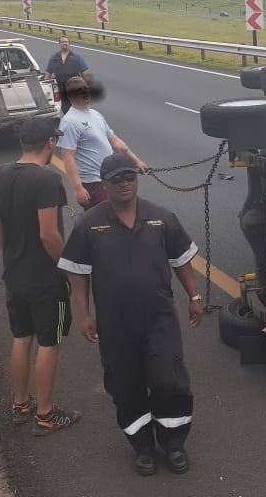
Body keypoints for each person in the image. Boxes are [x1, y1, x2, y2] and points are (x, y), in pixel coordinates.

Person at [58, 153, 204, 476]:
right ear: (104, 185)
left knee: (169, 380)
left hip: (159, 319)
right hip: (115, 324)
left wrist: (194, 296)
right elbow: (77, 274)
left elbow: (181, 259)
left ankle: (174, 443)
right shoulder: (88, 224)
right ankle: (142, 448)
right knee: (126, 385)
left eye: (129, 178)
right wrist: (83, 314)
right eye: (116, 180)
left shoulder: (161, 217)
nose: (125, 184)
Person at [0, 118, 81, 435]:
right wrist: (68, 268)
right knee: (49, 342)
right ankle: (45, 413)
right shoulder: (47, 180)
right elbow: (49, 235)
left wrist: (11, 256)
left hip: (14, 273)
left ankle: (20, 403)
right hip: (44, 278)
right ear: (50, 144)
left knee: (21, 336)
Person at [57, 76, 147, 210]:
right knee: (101, 223)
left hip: (111, 178)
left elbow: (115, 141)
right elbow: (68, 157)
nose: (84, 93)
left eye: (85, 89)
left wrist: (136, 161)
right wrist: (78, 188)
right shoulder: (70, 122)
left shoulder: (95, 114)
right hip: (93, 183)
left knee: (119, 215)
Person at [46, 36, 92, 115]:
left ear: (69, 44)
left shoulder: (77, 57)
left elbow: (84, 73)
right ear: (59, 44)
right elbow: (48, 74)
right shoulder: (54, 58)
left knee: (79, 107)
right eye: (63, 42)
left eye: (66, 42)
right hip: (61, 88)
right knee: (66, 108)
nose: (65, 43)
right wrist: (47, 88)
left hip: (75, 87)